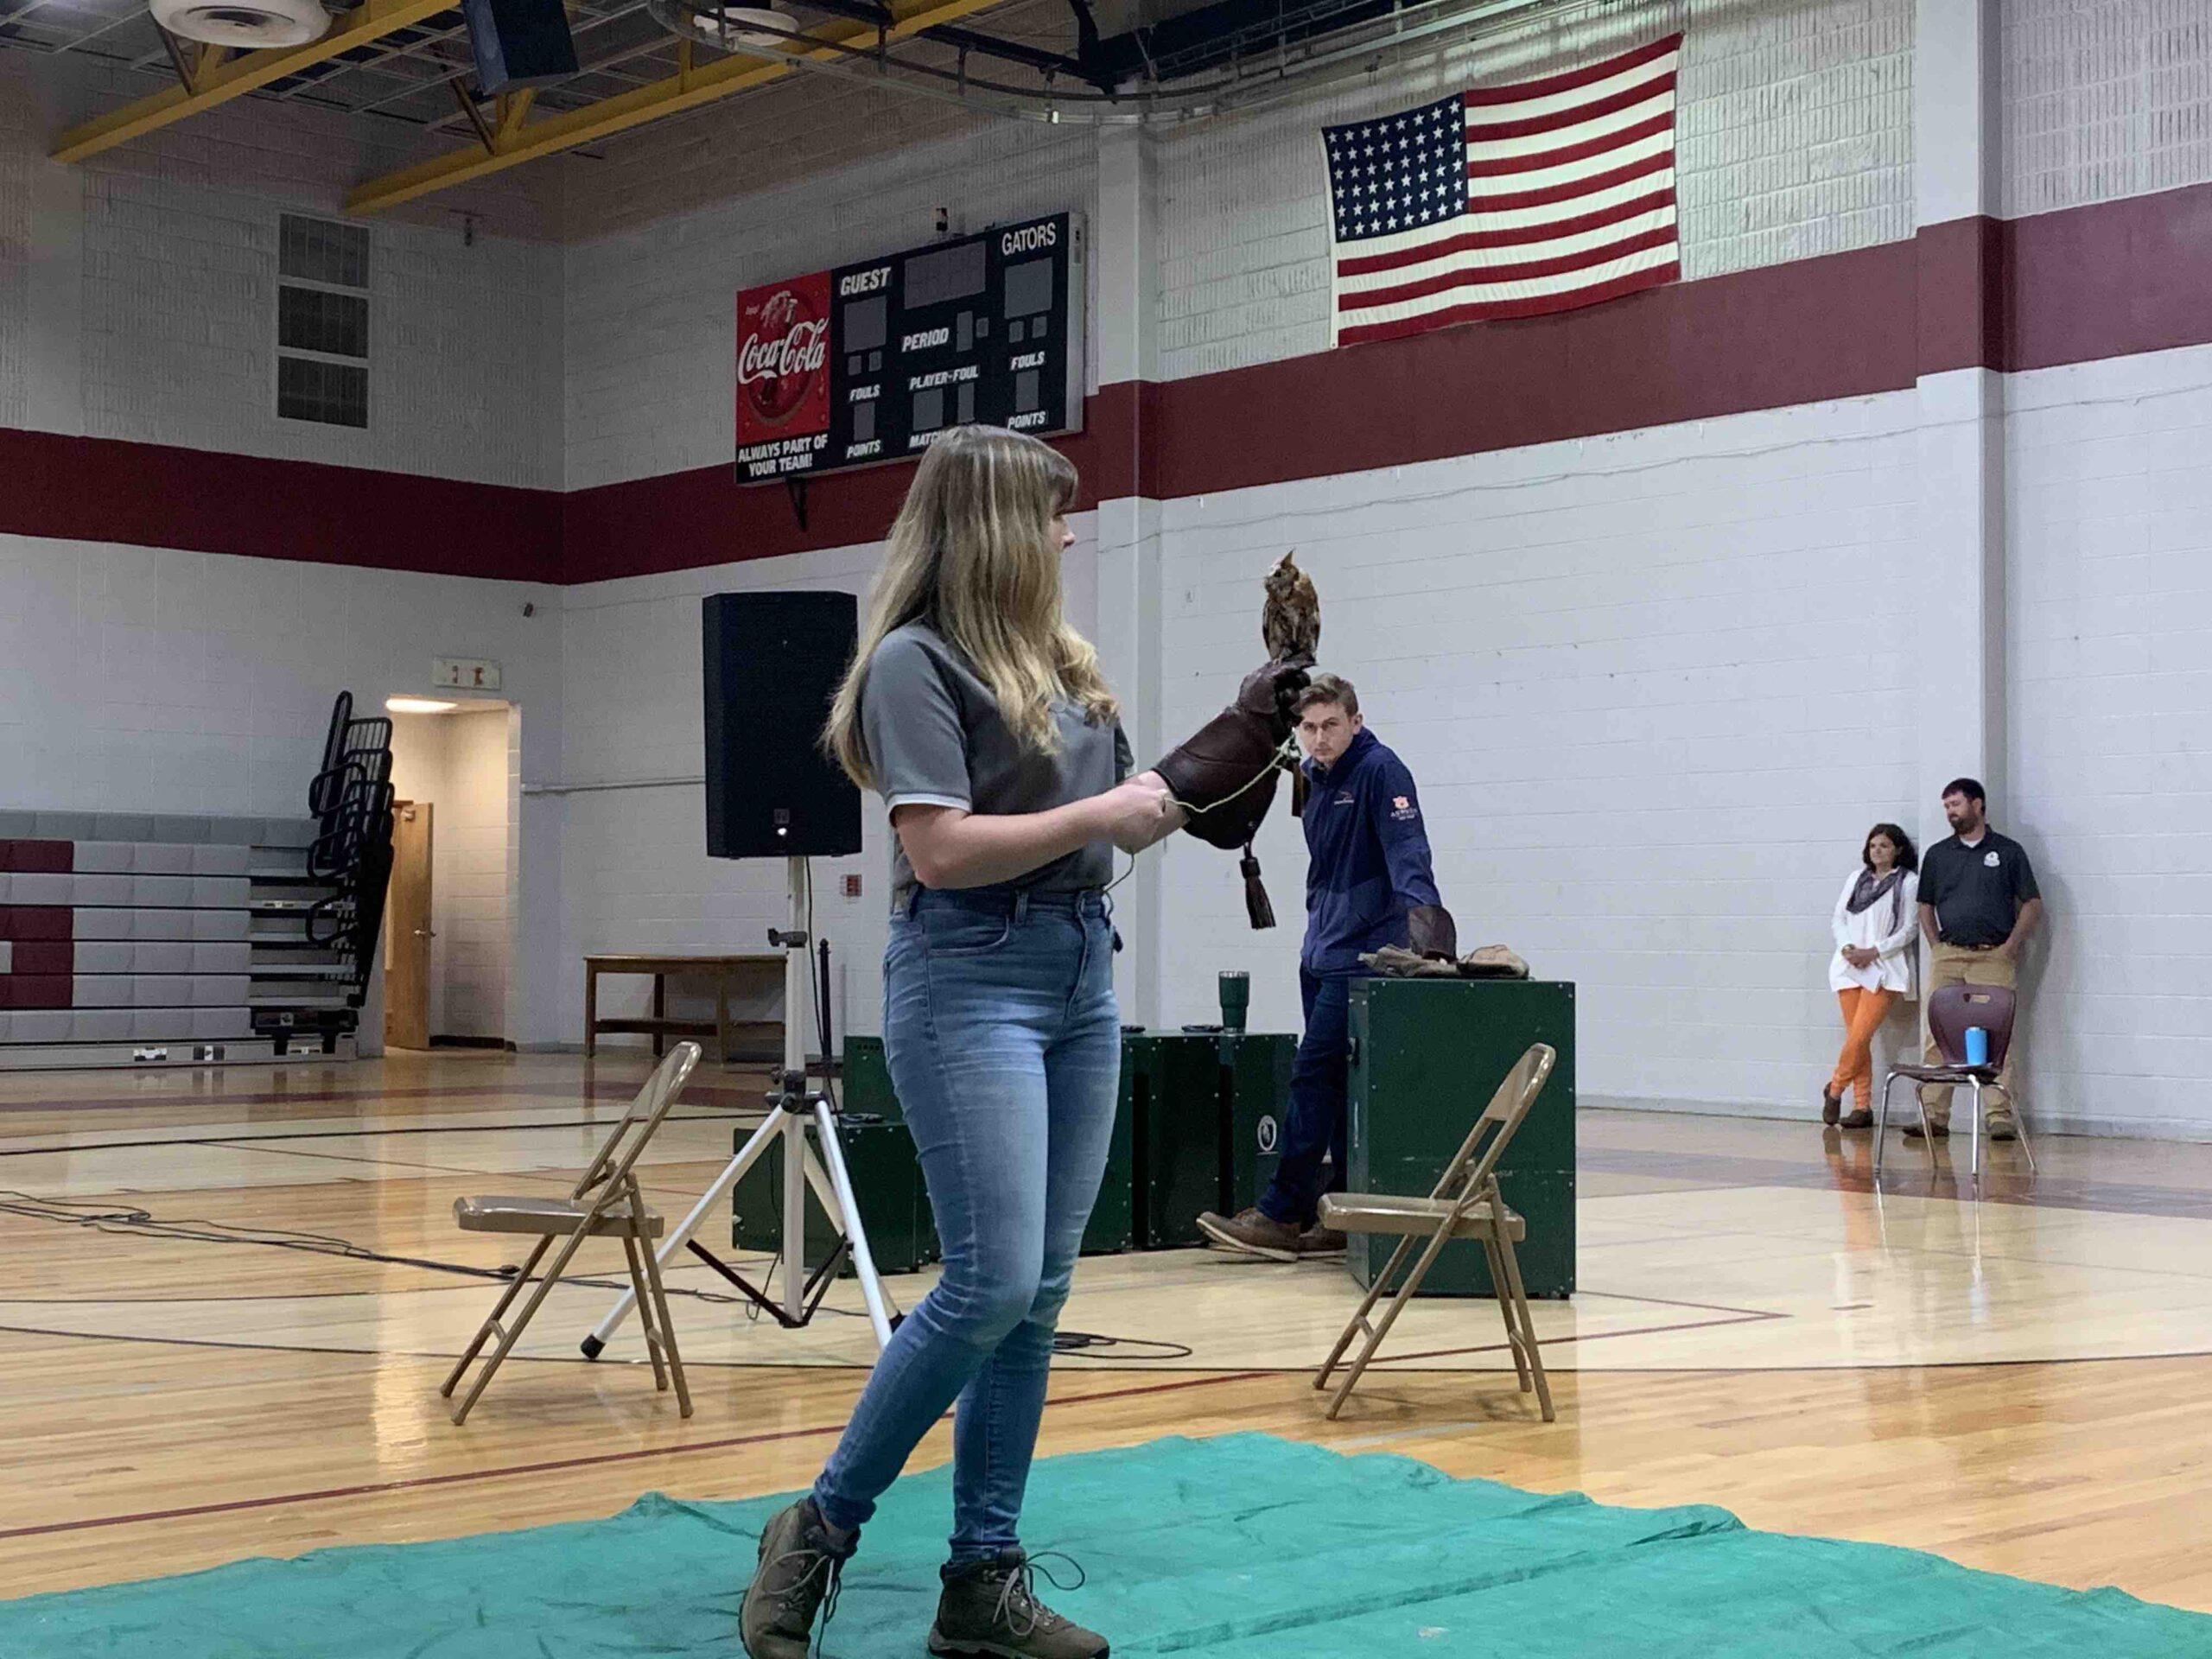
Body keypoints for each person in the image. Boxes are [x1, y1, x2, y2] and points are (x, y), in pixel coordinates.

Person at [740, 426, 1183, 1659]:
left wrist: (1224, 756)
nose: (1068, 532)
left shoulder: (1064, 665)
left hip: (1080, 971)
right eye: (1051, 513)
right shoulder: (912, 665)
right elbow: (939, 848)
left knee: (1036, 1298)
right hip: (969, 976)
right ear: (995, 525)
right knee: (989, 1284)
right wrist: (1107, 811)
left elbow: (1108, 820)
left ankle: (979, 1582)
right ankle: (818, 1529)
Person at [1193, 675, 1452, 1262]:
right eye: (1308, 728)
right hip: (1321, 951)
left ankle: (1282, 1215)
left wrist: (1430, 937)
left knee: (1312, 1076)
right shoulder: (1311, 775)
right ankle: (1339, 1213)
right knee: (1335, 1087)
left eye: (1330, 725)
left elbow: (1410, 854)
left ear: (1355, 722)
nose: (1319, 737)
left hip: (1364, 956)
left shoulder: (1382, 770)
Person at [1910, 777, 2043, 1140]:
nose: (1950, 812)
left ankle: (1999, 1115)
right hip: (1949, 956)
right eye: (1946, 807)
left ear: (1978, 804)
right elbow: (1925, 905)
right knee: (1938, 1035)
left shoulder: (2009, 851)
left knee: (1997, 1036)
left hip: (1993, 956)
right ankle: (1934, 1116)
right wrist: (1936, 945)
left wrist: (2012, 945)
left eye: (1956, 804)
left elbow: (2032, 903)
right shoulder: (1938, 854)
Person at [1822, 823, 1919, 1130]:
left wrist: (1874, 951)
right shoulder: (1856, 879)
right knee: (1856, 1038)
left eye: (1885, 846)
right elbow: (1839, 918)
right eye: (1873, 845)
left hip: (1884, 967)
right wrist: (1848, 947)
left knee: (1860, 1035)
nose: (1878, 851)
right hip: (1849, 965)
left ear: (1898, 850)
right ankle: (1862, 1106)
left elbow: (1909, 929)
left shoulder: (1908, 882)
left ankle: (1835, 1088)